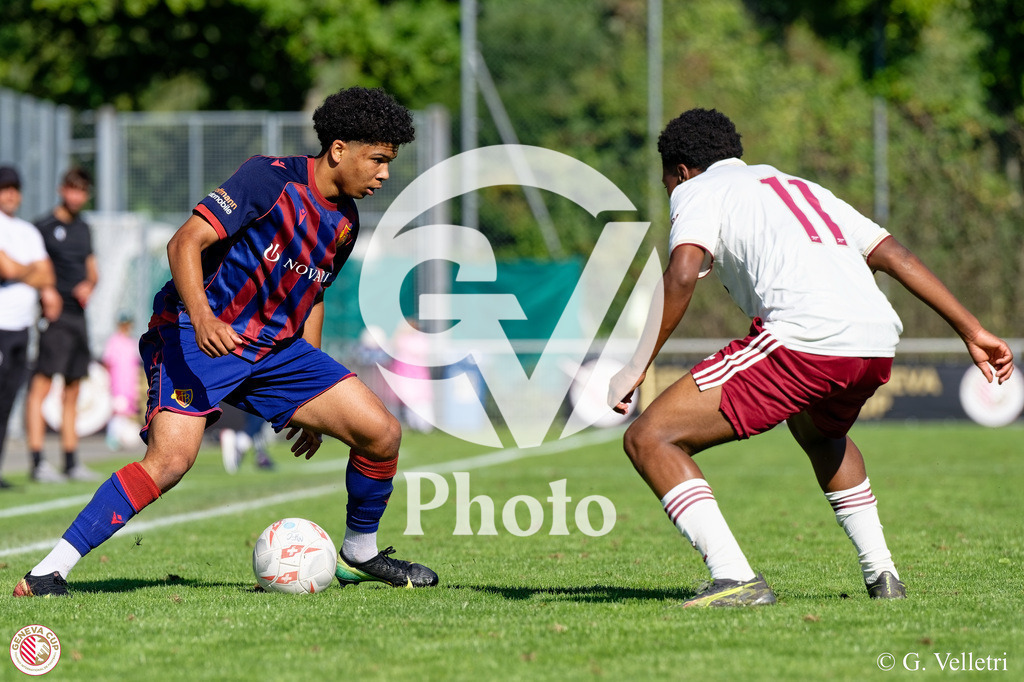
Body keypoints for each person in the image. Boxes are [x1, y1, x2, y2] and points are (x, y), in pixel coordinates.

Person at [14, 87, 438, 597]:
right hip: (195, 337)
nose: (384, 174)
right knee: (171, 462)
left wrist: (314, 397)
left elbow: (314, 296)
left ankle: (360, 552)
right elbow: (184, 242)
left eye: (389, 163)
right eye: (378, 160)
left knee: (382, 433)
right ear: (339, 149)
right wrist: (203, 318)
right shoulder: (269, 179)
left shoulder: (345, 222)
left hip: (274, 350)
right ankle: (47, 572)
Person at [608, 108, 1014, 608]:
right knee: (819, 432)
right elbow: (896, 256)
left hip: (805, 340)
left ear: (682, 170)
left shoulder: (698, 189)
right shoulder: (801, 187)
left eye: (668, 181)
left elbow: (682, 275)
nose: (671, 190)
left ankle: (734, 578)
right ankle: (883, 574)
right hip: (875, 342)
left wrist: (636, 365)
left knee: (649, 437)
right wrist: (973, 330)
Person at [24, 167, 101, 483]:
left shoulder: (84, 228)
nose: (76, 196)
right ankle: (37, 462)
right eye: (72, 189)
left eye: (82, 191)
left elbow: (92, 271)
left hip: (78, 318)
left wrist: (89, 284)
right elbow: (30, 268)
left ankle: (71, 462)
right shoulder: (42, 227)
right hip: (53, 319)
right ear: (61, 190)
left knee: (73, 390)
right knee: (41, 387)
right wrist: (46, 290)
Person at [0, 166, 62, 489]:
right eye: (4, 188)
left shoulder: (28, 232)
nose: (10, 194)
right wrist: (29, 271)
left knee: (7, 400)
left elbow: (47, 275)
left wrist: (19, 269)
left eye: (14, 188)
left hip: (22, 327)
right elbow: (5, 268)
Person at [101, 313, 142, 451]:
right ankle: (113, 438)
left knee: (126, 412)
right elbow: (108, 362)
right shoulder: (113, 341)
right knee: (118, 410)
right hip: (117, 384)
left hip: (129, 385)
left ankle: (120, 438)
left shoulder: (132, 342)